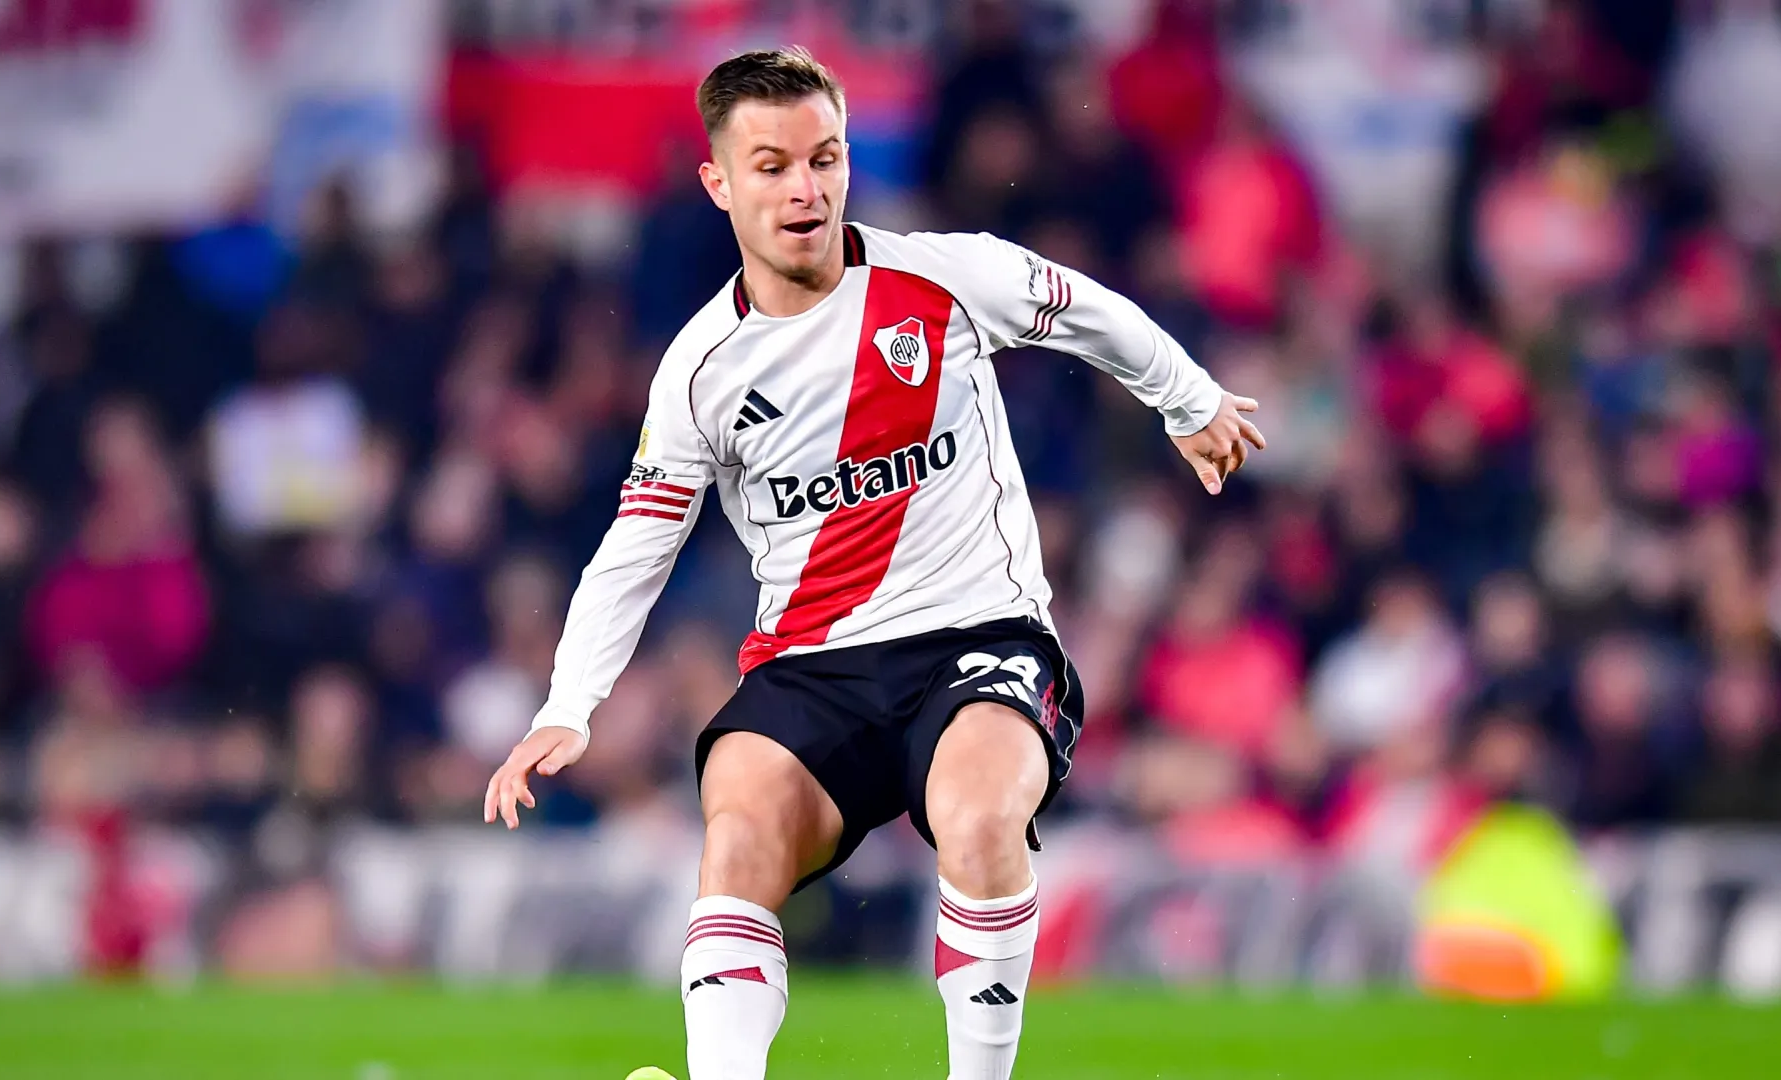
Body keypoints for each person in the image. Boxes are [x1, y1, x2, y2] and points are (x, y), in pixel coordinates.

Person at [482, 48, 1265, 1080]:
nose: (804, 188)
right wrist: (568, 705)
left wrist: (1189, 398)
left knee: (984, 816)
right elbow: (638, 543)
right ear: (719, 182)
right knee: (742, 822)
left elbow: (1087, 308)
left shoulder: (942, 277)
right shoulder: (700, 372)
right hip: (815, 667)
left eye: (826, 157)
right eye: (771, 166)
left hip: (979, 641)